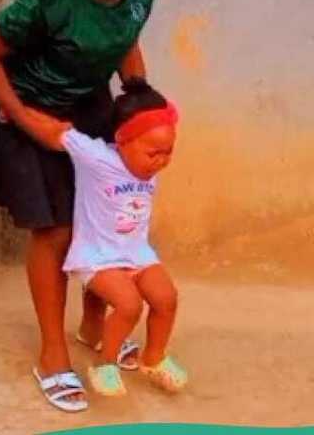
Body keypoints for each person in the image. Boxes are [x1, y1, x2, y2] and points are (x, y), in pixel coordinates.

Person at [0, 0, 155, 412]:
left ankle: (94, 325)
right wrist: (26, 119)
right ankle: (52, 354)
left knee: (102, 215)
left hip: (89, 103)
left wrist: (139, 106)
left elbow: (126, 37)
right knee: (56, 230)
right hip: (23, 109)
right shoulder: (47, 3)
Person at [55, 81, 187, 398]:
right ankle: (104, 364)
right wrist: (15, 110)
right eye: (153, 153)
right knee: (129, 305)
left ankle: (154, 358)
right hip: (97, 256)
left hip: (136, 252)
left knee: (166, 298)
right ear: (123, 140)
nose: (161, 161)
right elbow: (55, 132)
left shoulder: (147, 168)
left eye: (168, 152)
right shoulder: (97, 158)